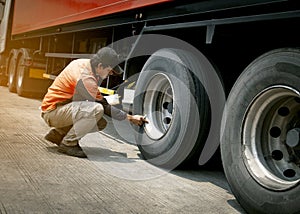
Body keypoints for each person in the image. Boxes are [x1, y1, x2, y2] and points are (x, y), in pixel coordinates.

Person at [41, 47, 147, 158]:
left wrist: (114, 100)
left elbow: (95, 99)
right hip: (53, 112)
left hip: (59, 108)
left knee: (100, 123)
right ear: (100, 66)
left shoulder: (83, 64)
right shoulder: (86, 78)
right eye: (109, 70)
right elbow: (103, 106)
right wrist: (131, 118)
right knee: (97, 110)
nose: (111, 74)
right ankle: (68, 144)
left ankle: (58, 134)